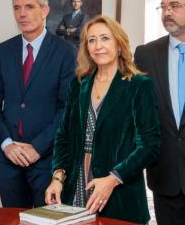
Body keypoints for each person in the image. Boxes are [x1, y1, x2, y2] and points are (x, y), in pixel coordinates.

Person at [46, 15, 160, 224]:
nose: (98, 45)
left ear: (118, 45)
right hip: (76, 186)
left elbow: (150, 146)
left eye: (105, 38)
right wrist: (57, 177)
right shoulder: (79, 84)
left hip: (120, 192)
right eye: (92, 40)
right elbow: (63, 137)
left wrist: (114, 178)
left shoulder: (138, 85)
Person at [0, 0, 76, 208]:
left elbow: (68, 108)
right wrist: (6, 144)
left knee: (47, 221)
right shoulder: (4, 50)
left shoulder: (66, 52)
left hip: (46, 159)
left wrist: (37, 147)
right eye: (16, 8)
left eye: (29, 7)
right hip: (9, 159)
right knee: (11, 220)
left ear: (45, 11)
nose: (21, 14)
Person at [135, 0, 185, 225]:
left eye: (174, 6)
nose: (167, 13)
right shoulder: (146, 54)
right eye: (163, 7)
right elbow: (136, 112)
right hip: (165, 176)